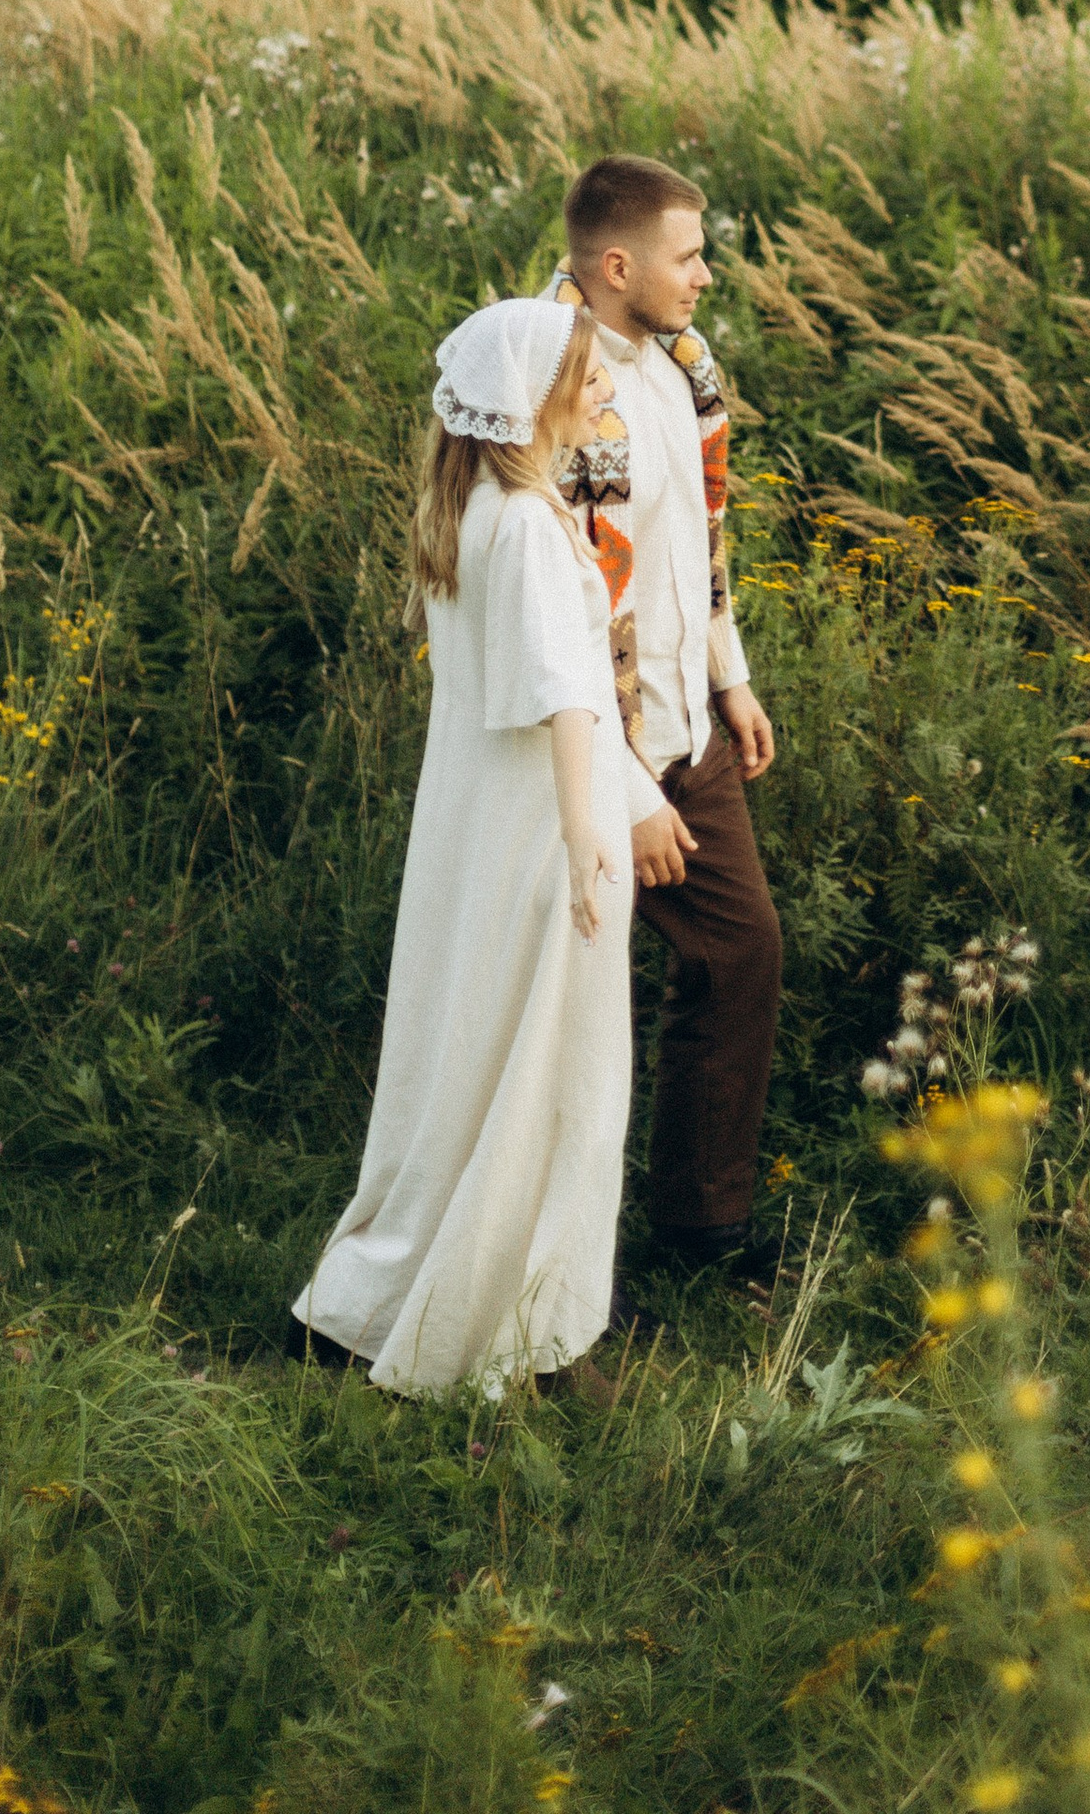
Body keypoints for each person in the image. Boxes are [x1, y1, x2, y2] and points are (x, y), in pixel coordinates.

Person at [292, 295, 633, 1394]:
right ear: (530, 399)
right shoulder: (529, 527)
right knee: (558, 1078)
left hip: (478, 823)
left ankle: (380, 1301)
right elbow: (561, 693)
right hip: (540, 824)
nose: (605, 393)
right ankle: (520, 1328)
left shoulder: (475, 508)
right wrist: (591, 833)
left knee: (469, 1062)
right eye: (587, 377)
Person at [545, 152, 782, 1297]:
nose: (704, 279)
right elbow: (568, 597)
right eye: (688, 257)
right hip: (598, 750)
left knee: (740, 955)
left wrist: (729, 675)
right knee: (568, 1003)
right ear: (617, 263)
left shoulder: (684, 363)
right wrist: (630, 791)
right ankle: (546, 1260)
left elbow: (698, 540)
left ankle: (698, 1231)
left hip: (689, 723)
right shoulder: (553, 377)